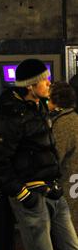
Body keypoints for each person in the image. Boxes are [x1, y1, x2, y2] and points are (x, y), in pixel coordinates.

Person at [0, 59, 78, 250]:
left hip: (54, 192)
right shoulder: (9, 117)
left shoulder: (37, 109)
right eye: (44, 80)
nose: (49, 83)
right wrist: (22, 194)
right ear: (30, 86)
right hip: (32, 195)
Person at [48, 82, 78, 231]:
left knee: (69, 229)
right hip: (74, 182)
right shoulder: (73, 118)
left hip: (69, 183)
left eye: (48, 98)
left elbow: (55, 157)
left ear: (56, 101)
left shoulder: (63, 123)